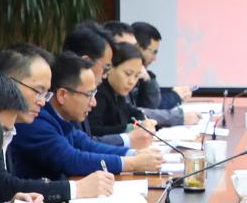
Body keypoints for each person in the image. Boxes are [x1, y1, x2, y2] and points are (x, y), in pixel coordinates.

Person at [0, 49, 116, 203]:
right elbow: (0, 186)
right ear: (9, 84)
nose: (43, 102)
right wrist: (76, 189)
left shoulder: (14, 124)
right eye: (38, 91)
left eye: (46, 94)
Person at [10, 51, 163, 181]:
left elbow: (87, 145)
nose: (93, 102)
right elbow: (71, 159)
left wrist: (134, 154)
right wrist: (132, 163)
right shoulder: (34, 120)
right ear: (62, 95)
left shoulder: (60, 117)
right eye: (89, 95)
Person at [89, 39, 150, 137]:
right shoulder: (98, 93)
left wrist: (142, 122)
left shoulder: (118, 92)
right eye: (128, 74)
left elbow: (134, 112)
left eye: (136, 76)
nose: (132, 81)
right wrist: (128, 128)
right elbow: (92, 131)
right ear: (110, 68)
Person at [130, 21, 191, 112]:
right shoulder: (127, 76)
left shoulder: (142, 74)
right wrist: (175, 97)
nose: (155, 58)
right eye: (153, 52)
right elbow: (147, 110)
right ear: (138, 47)